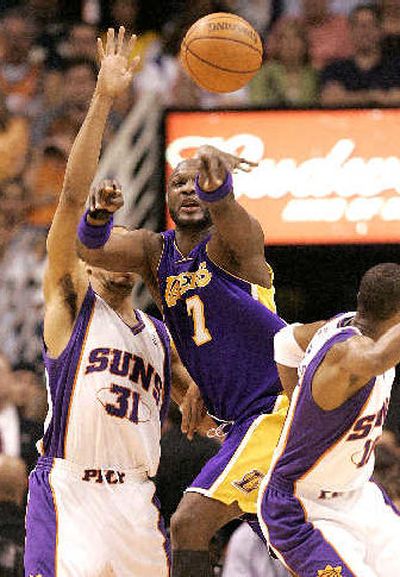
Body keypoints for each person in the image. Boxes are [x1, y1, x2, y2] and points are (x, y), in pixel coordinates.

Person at [77, 26, 288, 577]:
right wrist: (97, 213)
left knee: (188, 524)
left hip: (277, 409)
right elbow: (86, 245)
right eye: (179, 182)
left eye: (199, 182)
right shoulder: (155, 251)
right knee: (289, 535)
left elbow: (238, 225)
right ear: (166, 196)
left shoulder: (233, 246)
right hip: (242, 418)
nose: (188, 189)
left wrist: (222, 192)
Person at [24, 28, 195, 577]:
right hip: (73, 491)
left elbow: (199, 395)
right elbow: (73, 198)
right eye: (103, 243)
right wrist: (103, 98)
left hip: (137, 500)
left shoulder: (159, 334)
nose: (115, 253)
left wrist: (202, 398)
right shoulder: (71, 305)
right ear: (88, 259)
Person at [258, 262, 400, 577]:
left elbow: (284, 340)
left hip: (359, 496)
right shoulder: (348, 353)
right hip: (301, 508)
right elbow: (376, 360)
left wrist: (299, 409)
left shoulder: (340, 324)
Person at [320, 3, 400, 106]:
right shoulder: (335, 69)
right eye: (359, 26)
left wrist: (348, 97)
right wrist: (373, 96)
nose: (365, 31)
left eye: (370, 25)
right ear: (350, 31)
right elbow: (330, 100)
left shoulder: (396, 67)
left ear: (380, 31)